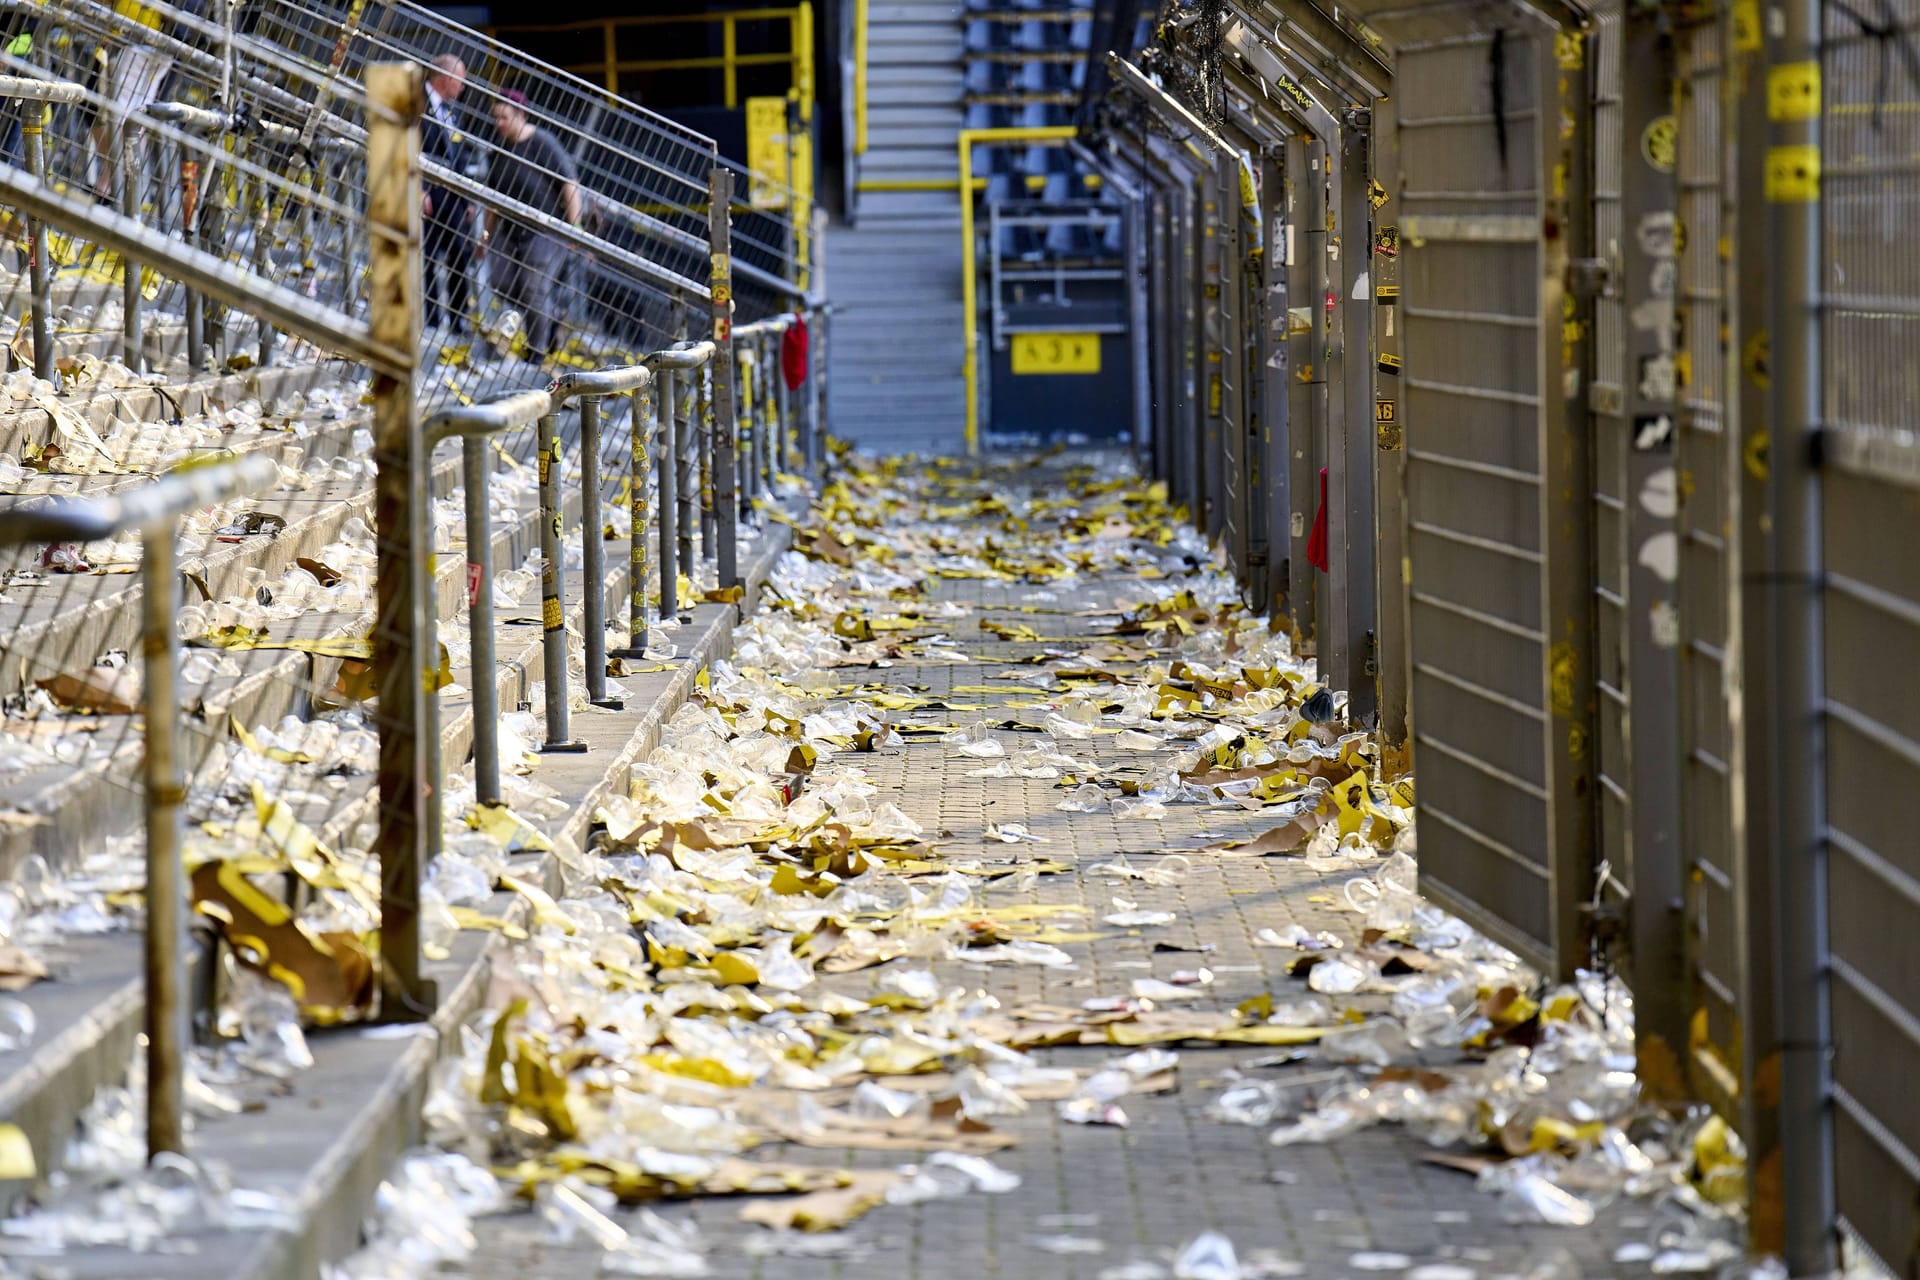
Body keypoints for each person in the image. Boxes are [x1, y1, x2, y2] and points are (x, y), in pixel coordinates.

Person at [480, 88, 579, 365]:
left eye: (505, 117)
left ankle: (536, 353)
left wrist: (575, 228)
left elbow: (569, 184)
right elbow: (493, 198)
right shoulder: (498, 148)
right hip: (510, 230)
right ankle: (552, 317)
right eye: (496, 117)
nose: (499, 123)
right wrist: (485, 235)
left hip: (545, 231)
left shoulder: (543, 143)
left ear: (521, 115)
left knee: (534, 287)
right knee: (500, 281)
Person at [420, 55, 473, 333]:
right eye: (460, 81)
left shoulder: (453, 111)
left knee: (459, 255)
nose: (463, 87)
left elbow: (460, 153)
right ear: (446, 79)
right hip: (428, 195)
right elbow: (409, 147)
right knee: (427, 257)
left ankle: (457, 317)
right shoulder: (416, 104)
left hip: (453, 197)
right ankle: (429, 319)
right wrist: (419, 190)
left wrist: (468, 198)